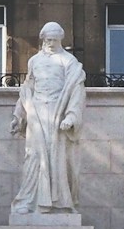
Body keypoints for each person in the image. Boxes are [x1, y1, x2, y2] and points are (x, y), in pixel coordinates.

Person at [10, 21, 87, 214]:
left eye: (54, 40)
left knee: (57, 159)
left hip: (57, 113)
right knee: (33, 156)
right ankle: (28, 201)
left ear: (60, 39)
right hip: (36, 113)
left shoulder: (69, 61)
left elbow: (76, 91)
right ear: (43, 39)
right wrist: (18, 116)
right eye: (47, 39)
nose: (51, 43)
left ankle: (59, 203)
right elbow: (27, 89)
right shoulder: (34, 61)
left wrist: (70, 117)